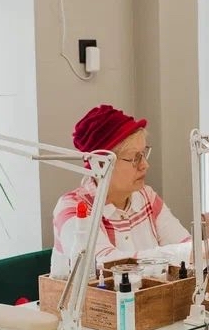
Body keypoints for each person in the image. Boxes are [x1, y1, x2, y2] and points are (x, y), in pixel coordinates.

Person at [52, 105, 193, 269]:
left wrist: (206, 248)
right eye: (134, 157)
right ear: (101, 163)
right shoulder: (73, 209)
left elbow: (184, 244)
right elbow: (105, 264)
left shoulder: (146, 196)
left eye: (143, 154)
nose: (145, 165)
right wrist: (186, 253)